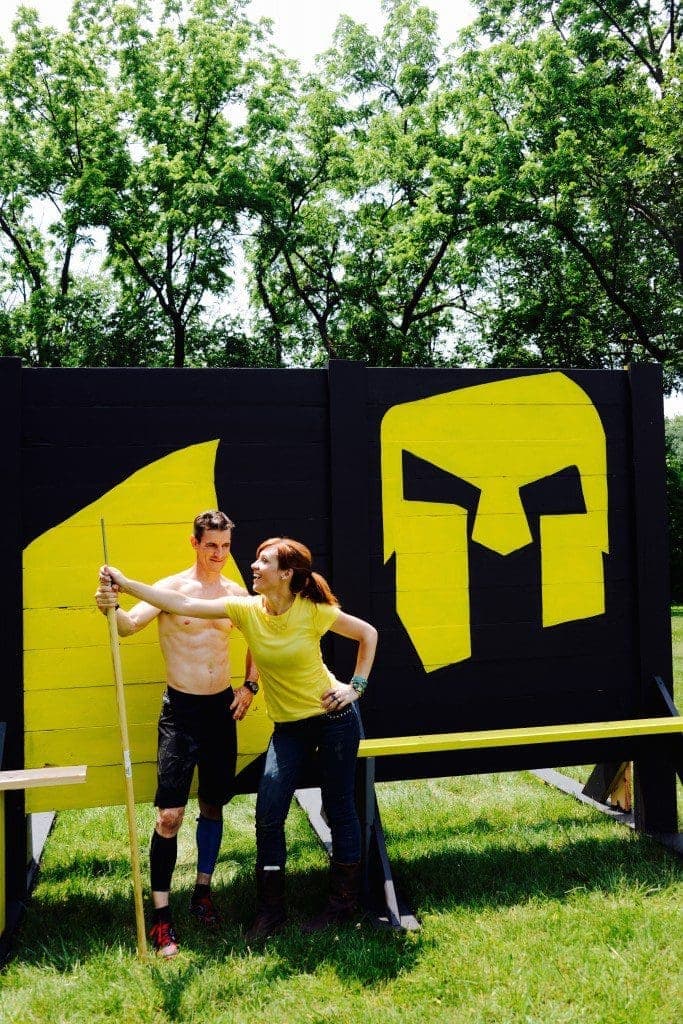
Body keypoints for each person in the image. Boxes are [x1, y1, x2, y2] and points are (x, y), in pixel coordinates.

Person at [99, 536, 378, 941]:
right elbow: (185, 605)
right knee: (268, 812)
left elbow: (368, 634)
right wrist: (125, 584)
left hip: (333, 719)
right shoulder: (246, 608)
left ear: (286, 574)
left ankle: (342, 906)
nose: (253, 566)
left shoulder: (313, 611)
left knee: (339, 808)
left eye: (264, 562)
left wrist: (356, 688)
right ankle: (270, 912)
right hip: (289, 728)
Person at [95, 510, 260, 958]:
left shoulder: (234, 592)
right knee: (169, 816)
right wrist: (109, 606)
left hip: (220, 708)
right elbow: (129, 626)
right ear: (194, 543)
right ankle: (162, 917)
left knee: (212, 803)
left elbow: (259, 638)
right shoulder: (170, 590)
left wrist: (249, 685)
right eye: (211, 546)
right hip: (181, 711)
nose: (220, 555)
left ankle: (203, 893)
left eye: (226, 546)